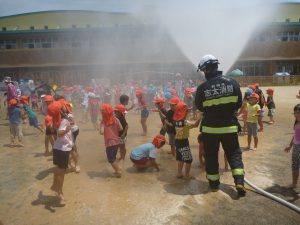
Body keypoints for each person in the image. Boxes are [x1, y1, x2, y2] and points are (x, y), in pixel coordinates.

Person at [195, 54, 246, 196]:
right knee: (234, 154)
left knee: (211, 156)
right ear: (216, 66)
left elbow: (200, 107)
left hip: (210, 130)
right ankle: (239, 182)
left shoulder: (202, 88)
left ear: (205, 70)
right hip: (229, 127)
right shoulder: (233, 83)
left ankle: (214, 185)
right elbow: (238, 104)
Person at [49, 101, 73, 202]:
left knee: (58, 169)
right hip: (63, 149)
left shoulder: (55, 120)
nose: (64, 107)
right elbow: (60, 133)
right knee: (61, 172)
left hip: (57, 147)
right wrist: (67, 129)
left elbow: (54, 131)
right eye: (62, 107)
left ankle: (55, 187)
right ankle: (59, 192)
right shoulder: (64, 121)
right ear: (60, 111)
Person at [173, 101, 200, 179]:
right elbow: (196, 125)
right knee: (188, 160)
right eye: (186, 111)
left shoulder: (176, 121)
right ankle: (187, 175)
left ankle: (179, 173)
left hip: (177, 141)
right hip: (183, 142)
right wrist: (200, 117)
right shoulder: (185, 122)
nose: (187, 113)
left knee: (180, 158)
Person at [100, 104, 122, 177]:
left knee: (111, 159)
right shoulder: (116, 119)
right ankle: (117, 169)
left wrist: (101, 127)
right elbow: (120, 129)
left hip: (109, 143)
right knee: (114, 157)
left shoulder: (103, 122)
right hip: (116, 142)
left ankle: (118, 171)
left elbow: (101, 132)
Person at [284, 104, 300, 189]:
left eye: (298, 112)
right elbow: (296, 135)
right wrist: (290, 146)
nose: (296, 114)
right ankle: (294, 184)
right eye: (295, 113)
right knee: (295, 166)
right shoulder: (296, 122)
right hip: (296, 147)